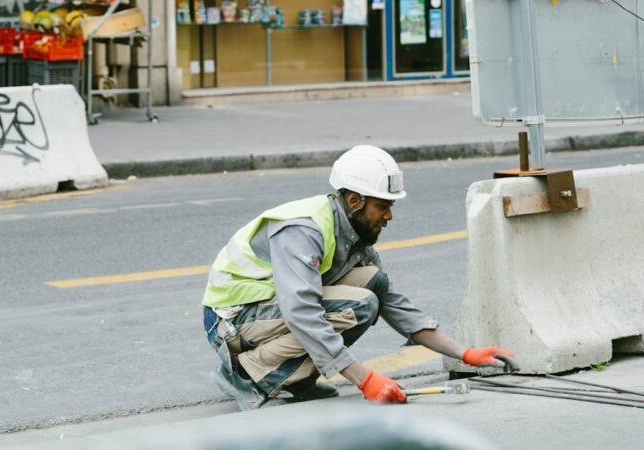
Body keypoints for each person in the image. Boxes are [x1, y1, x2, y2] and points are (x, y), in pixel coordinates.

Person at [201, 145, 517, 410]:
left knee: (373, 283)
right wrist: (364, 379)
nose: (389, 216)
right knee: (360, 305)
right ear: (355, 202)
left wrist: (463, 352)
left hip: (266, 313)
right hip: (232, 320)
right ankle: (247, 375)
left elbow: (395, 304)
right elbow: (302, 311)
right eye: (383, 206)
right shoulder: (304, 229)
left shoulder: (353, 235)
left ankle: (295, 381)